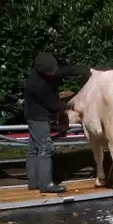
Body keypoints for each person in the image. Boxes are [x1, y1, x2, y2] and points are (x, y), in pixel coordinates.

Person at [24, 52, 90, 193]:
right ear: (45, 72)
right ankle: (46, 184)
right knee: (45, 148)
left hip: (32, 114)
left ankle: (34, 182)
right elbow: (54, 105)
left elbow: (62, 72)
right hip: (38, 116)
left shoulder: (42, 71)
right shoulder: (37, 86)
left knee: (33, 148)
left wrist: (82, 69)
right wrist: (72, 103)